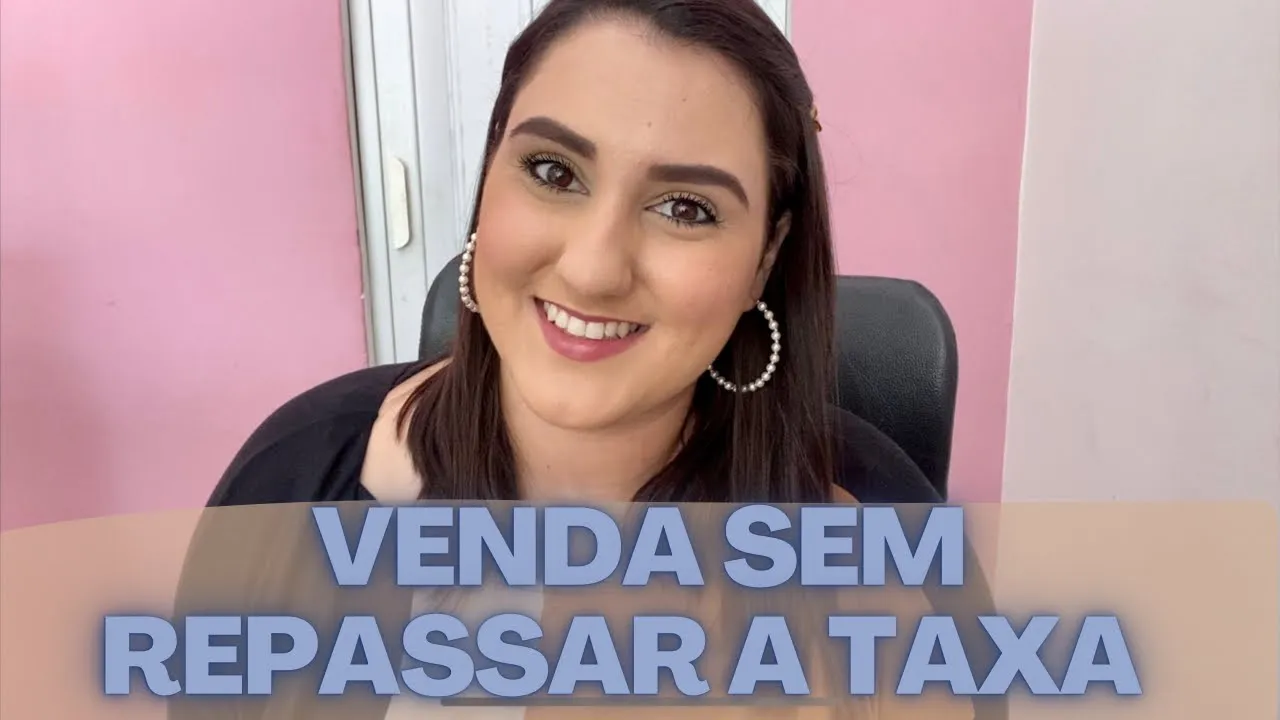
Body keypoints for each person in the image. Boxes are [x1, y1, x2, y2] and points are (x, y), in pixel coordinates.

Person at [177, 1, 984, 718]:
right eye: (552, 171)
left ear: (764, 259)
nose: (594, 269)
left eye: (685, 208)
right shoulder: (296, 481)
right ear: (488, 179)